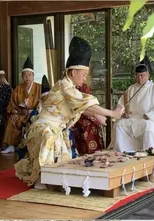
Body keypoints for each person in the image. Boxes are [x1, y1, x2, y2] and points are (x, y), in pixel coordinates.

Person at [14, 36, 124, 189]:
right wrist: (112, 113)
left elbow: (85, 105)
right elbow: (85, 106)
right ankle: (39, 176)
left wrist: (103, 114)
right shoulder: (64, 85)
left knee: (63, 159)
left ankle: (48, 176)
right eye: (83, 75)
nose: (85, 79)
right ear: (73, 72)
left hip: (57, 129)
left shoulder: (71, 88)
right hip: (43, 128)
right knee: (48, 136)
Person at [111, 57, 154, 156]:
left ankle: (149, 152)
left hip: (147, 118)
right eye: (138, 76)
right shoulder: (130, 89)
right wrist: (123, 113)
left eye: (142, 75)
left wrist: (150, 115)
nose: (140, 78)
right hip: (132, 118)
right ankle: (122, 153)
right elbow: (121, 104)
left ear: (148, 75)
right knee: (119, 125)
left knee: (149, 127)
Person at [1, 56, 41, 154]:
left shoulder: (39, 88)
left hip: (34, 113)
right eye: (25, 75)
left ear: (33, 76)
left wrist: (34, 110)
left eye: (29, 75)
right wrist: (15, 112)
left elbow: (43, 102)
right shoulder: (18, 89)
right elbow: (12, 104)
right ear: (22, 76)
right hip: (21, 114)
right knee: (12, 120)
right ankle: (11, 145)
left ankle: (30, 147)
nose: (27, 77)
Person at [17, 75, 50, 161]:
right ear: (41, 99)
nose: (47, 100)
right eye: (44, 98)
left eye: (48, 98)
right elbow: (31, 123)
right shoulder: (36, 111)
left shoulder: (54, 109)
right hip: (37, 132)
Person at [71, 83, 104, 155]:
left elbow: (89, 105)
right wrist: (96, 115)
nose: (84, 78)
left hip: (83, 117)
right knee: (88, 126)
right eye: (84, 75)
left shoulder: (83, 86)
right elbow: (83, 107)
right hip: (74, 118)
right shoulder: (68, 87)